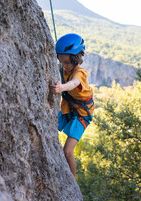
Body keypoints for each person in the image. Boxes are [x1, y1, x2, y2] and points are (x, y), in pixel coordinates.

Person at [50, 33, 95, 177]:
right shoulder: (63, 68)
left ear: (77, 59)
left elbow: (74, 83)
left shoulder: (79, 73)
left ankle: (72, 180)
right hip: (69, 109)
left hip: (82, 115)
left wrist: (61, 88)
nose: (65, 65)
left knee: (68, 151)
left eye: (68, 62)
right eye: (62, 61)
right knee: (49, 126)